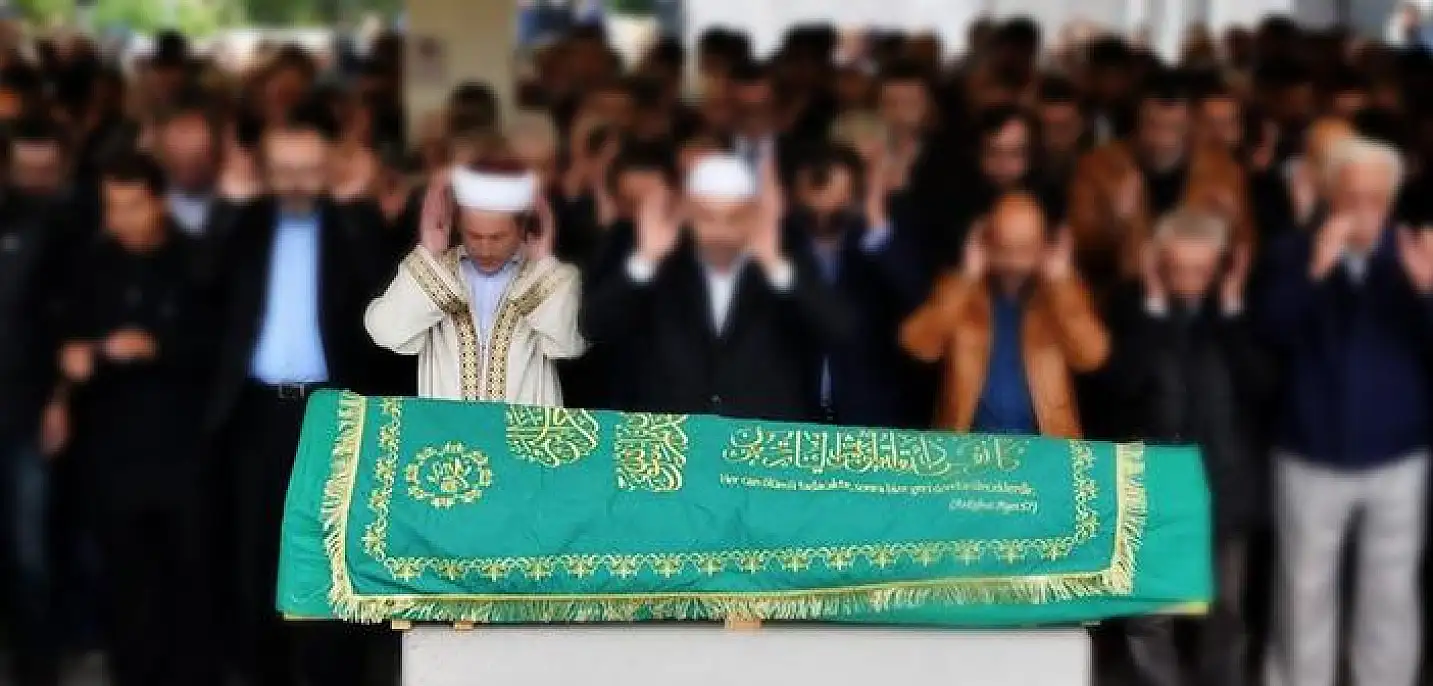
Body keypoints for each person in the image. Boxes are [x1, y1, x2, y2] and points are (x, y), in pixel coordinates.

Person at [203, 103, 387, 686]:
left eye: (309, 170)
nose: (297, 184)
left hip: (332, 414)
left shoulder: (353, 224)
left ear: (332, 167)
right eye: (283, 171)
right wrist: (228, 208)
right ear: (262, 171)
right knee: (255, 554)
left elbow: (385, 304)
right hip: (256, 413)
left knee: (329, 553)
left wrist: (355, 209)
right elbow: (200, 283)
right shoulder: (245, 224)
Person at [1258, 137, 1433, 686]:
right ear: (1329, 196)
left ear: (1392, 201)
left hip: (1398, 450)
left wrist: (1427, 293)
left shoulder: (1416, 253)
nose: (1362, 210)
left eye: (1375, 199)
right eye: (1351, 197)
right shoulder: (1291, 252)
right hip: (1310, 447)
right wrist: (1315, 270)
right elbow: (1270, 334)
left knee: (1392, 589)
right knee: (1303, 588)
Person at [53, 153, 213, 686]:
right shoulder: (92, 265)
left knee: (188, 579)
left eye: (131, 206)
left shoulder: (195, 262)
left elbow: (218, 350)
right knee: (125, 581)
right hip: (113, 450)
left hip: (183, 450)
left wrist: (157, 348)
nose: (120, 219)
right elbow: (67, 336)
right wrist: (74, 361)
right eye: (111, 208)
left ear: (159, 203)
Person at [1105, 208, 1270, 686]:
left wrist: (1233, 312)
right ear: (1158, 263)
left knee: (1226, 608)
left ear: (1220, 267)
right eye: (1178, 269)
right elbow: (1119, 385)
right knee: (1150, 611)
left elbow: (1262, 387)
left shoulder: (1240, 311)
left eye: (1202, 270)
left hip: (1226, 481)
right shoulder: (1132, 307)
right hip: (1154, 483)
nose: (1190, 282)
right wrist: (1154, 310)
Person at [581, 154, 852, 421]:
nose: (720, 230)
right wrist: (646, 260)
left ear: (754, 215)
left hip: (758, 439)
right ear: (687, 214)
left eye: (734, 217)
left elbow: (840, 331)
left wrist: (775, 266)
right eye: (707, 217)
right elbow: (595, 328)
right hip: (674, 436)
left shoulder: (785, 261)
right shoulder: (659, 263)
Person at [365, 154, 585, 404]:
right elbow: (385, 333)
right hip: (447, 426)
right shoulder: (436, 272)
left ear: (523, 226)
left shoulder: (549, 276)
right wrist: (429, 248)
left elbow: (570, 345)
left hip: (522, 426)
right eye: (475, 236)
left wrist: (543, 260)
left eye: (497, 237)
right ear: (459, 225)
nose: (485, 249)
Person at [901, 192, 1108, 436]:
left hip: (1046, 446)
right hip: (969, 444)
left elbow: (1092, 356)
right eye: (1004, 249)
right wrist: (967, 277)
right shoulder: (962, 290)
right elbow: (919, 346)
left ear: (1044, 246)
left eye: (1024, 250)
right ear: (986, 242)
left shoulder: (1058, 294)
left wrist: (1060, 283)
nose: (1013, 263)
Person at [1068, 77, 1253, 295]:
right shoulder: (1098, 168)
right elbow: (1080, 247)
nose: (1163, 139)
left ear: (1191, 126)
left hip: (1199, 293)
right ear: (1137, 124)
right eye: (1154, 126)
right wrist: (1115, 224)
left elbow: (1246, 248)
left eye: (1174, 128)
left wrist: (1231, 228)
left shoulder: (1221, 170)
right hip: (1124, 291)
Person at [786, 144, 927, 427]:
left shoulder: (880, 245)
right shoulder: (782, 249)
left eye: (834, 212)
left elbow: (916, 300)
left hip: (871, 415)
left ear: (855, 198)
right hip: (796, 414)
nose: (823, 219)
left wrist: (876, 225)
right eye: (812, 212)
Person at [154, 98, 220, 238]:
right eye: (178, 148)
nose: (186, 153)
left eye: (197, 157)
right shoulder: (150, 202)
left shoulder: (234, 206)